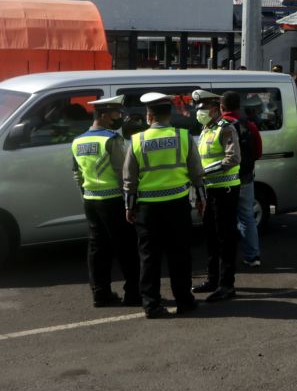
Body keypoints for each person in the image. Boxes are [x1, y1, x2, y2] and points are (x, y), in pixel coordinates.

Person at [123, 92, 206, 319]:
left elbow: (129, 179)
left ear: (149, 116)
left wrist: (129, 206)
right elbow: (197, 173)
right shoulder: (183, 136)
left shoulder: (137, 140)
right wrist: (201, 199)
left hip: (148, 209)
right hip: (177, 206)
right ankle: (184, 302)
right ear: (170, 114)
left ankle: (151, 305)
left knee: (149, 258)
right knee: (180, 256)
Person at [71, 95, 140, 308]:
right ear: (103, 115)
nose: (119, 117)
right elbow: (123, 173)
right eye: (116, 113)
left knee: (97, 249)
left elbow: (77, 175)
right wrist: (130, 201)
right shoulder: (112, 139)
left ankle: (100, 294)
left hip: (91, 200)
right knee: (126, 248)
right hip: (114, 201)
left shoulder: (78, 140)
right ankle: (133, 295)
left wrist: (85, 194)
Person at [191, 89, 241, 302]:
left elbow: (233, 158)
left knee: (225, 238)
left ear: (214, 109)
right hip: (210, 191)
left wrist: (203, 172)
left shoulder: (226, 128)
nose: (199, 112)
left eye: (202, 108)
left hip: (225, 190)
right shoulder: (205, 129)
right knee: (210, 237)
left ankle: (227, 285)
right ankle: (213, 279)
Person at [232, 93, 262, 268]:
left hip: (223, 181)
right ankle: (252, 256)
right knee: (247, 217)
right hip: (245, 177)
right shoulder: (250, 125)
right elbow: (258, 153)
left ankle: (226, 258)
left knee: (224, 219)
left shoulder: (218, 126)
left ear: (222, 107)